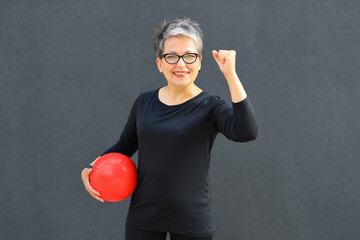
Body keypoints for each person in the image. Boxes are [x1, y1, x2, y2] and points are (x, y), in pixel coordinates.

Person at [81, 18, 258, 240]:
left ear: (200, 61)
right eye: (172, 56)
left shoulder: (211, 106)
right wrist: (91, 166)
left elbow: (247, 132)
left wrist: (230, 74)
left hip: (191, 219)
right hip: (144, 216)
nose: (181, 64)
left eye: (189, 56)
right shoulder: (144, 102)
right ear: (160, 63)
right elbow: (124, 146)